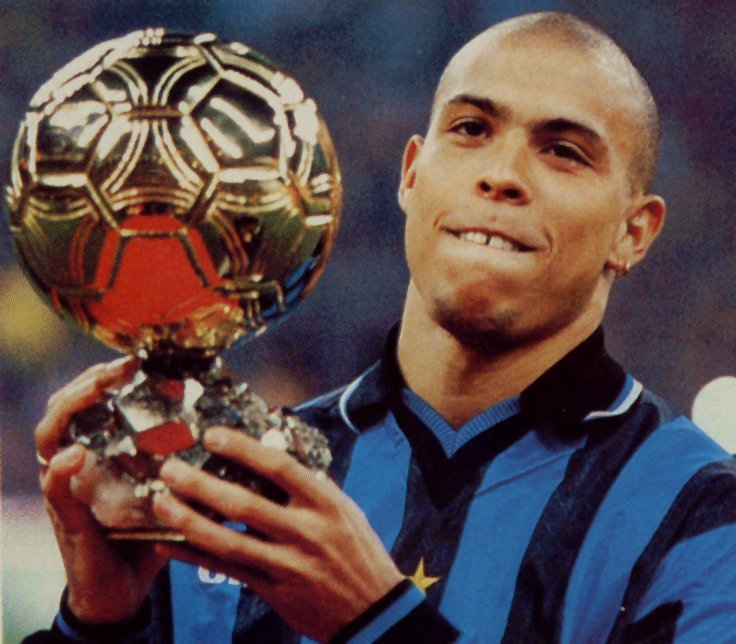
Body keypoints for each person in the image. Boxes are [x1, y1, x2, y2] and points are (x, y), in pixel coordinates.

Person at [30, 12, 736, 643]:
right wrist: (98, 623)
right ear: (411, 174)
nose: (502, 174)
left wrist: (376, 623)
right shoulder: (234, 482)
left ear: (634, 231)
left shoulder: (702, 515)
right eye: (470, 129)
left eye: (564, 151)